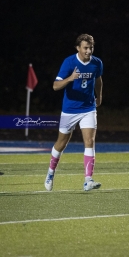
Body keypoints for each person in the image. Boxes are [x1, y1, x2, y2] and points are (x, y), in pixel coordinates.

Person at [44, 34, 103, 192]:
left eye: (91, 48)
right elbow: (55, 86)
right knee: (61, 144)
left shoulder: (97, 63)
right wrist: (70, 78)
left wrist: (100, 95)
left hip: (88, 108)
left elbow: (98, 79)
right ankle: (50, 172)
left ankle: (88, 180)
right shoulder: (69, 62)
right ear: (78, 48)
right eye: (85, 48)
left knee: (89, 141)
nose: (89, 51)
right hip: (69, 110)